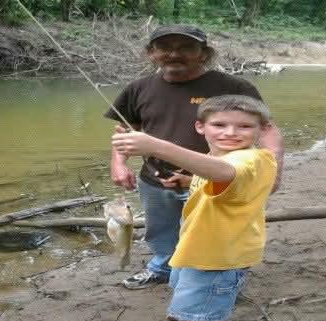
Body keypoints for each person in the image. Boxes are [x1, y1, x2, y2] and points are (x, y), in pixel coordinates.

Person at [104, 24, 284, 291]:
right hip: (156, 180)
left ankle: (224, 279)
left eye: (186, 47)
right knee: (161, 231)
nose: (174, 54)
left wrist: (273, 173)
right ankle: (163, 267)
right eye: (165, 47)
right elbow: (126, 132)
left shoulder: (233, 86)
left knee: (221, 235)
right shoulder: (138, 88)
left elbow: (267, 130)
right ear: (150, 53)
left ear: (204, 53)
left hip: (216, 184)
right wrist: (118, 164)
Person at [111, 95, 277, 321]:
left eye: (244, 126)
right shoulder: (219, 156)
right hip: (198, 247)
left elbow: (224, 173)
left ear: (262, 129)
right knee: (191, 290)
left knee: (193, 309)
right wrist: (190, 180)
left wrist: (156, 146)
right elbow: (220, 180)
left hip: (216, 255)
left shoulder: (253, 160)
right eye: (219, 125)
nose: (231, 132)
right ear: (201, 127)